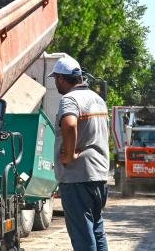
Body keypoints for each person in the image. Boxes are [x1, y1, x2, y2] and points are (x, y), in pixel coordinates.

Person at [49, 55, 110, 251]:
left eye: (55, 79)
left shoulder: (70, 99)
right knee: (96, 227)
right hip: (99, 176)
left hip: (77, 177)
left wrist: (68, 154)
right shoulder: (98, 99)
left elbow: (69, 123)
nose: (56, 83)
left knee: (82, 233)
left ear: (61, 78)